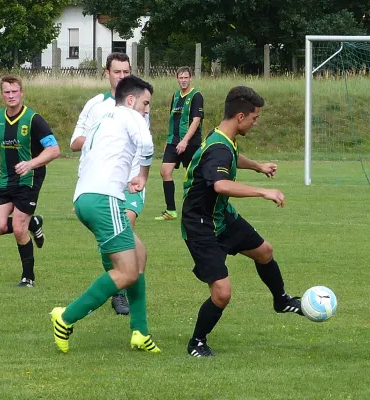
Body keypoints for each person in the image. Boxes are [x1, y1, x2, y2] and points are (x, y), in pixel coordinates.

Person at [181, 85, 303, 358]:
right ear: (240, 117)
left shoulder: (224, 138)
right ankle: (197, 342)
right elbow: (221, 185)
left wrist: (258, 166)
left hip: (221, 216)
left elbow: (233, 158)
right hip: (201, 225)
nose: (255, 123)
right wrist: (263, 192)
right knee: (222, 293)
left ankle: (281, 300)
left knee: (265, 251)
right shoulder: (219, 149)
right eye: (254, 118)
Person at [51, 75, 160, 354]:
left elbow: (91, 159)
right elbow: (147, 146)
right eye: (146, 103)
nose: (147, 110)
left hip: (87, 197)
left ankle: (140, 331)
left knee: (139, 254)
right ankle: (65, 317)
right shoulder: (130, 115)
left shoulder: (103, 121)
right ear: (132, 99)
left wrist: (88, 195)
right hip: (104, 200)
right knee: (126, 271)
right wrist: (143, 176)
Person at [0, 75, 60, 287]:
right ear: (2, 94)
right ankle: (34, 223)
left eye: (15, 91)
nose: (11, 95)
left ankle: (28, 277)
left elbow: (54, 150)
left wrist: (31, 164)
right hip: (4, 178)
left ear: (22, 93)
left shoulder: (34, 120)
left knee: (18, 229)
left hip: (29, 179)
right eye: (7, 92)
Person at [70, 52, 136, 315]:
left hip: (128, 182)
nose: (122, 76)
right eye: (117, 72)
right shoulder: (95, 105)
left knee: (126, 228)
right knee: (114, 239)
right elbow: (75, 142)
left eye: (126, 72)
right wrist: (105, 141)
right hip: (99, 182)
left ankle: (125, 296)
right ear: (107, 73)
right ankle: (119, 291)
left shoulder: (139, 103)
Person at [155, 66, 204, 221]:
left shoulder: (196, 96)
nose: (183, 80)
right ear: (177, 79)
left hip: (190, 142)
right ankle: (171, 211)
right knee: (165, 171)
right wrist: (168, 140)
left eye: (186, 77)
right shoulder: (176, 96)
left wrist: (185, 141)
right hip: (173, 141)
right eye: (180, 78)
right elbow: (172, 119)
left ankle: (199, 209)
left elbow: (196, 120)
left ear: (191, 78)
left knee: (194, 177)